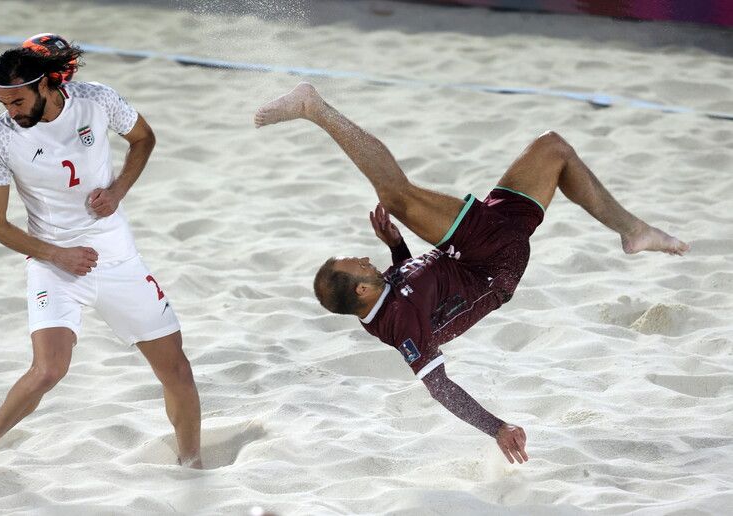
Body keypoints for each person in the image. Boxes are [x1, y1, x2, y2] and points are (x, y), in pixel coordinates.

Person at [255, 82, 689, 465]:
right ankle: (315, 108)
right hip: (489, 262)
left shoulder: (382, 296)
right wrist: (496, 428)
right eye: (362, 265)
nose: (367, 261)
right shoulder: (402, 326)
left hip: (483, 251)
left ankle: (634, 232)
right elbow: (439, 386)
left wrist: (395, 246)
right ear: (363, 288)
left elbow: (417, 288)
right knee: (397, 196)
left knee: (553, 148)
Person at [0, 45, 202, 467]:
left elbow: (143, 139)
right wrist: (57, 255)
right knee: (48, 370)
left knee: (177, 371)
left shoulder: (97, 100)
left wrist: (117, 191)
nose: (10, 110)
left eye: (18, 100)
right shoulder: (0, 137)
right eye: (2, 101)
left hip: (117, 257)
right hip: (52, 263)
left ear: (46, 84)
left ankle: (192, 466)